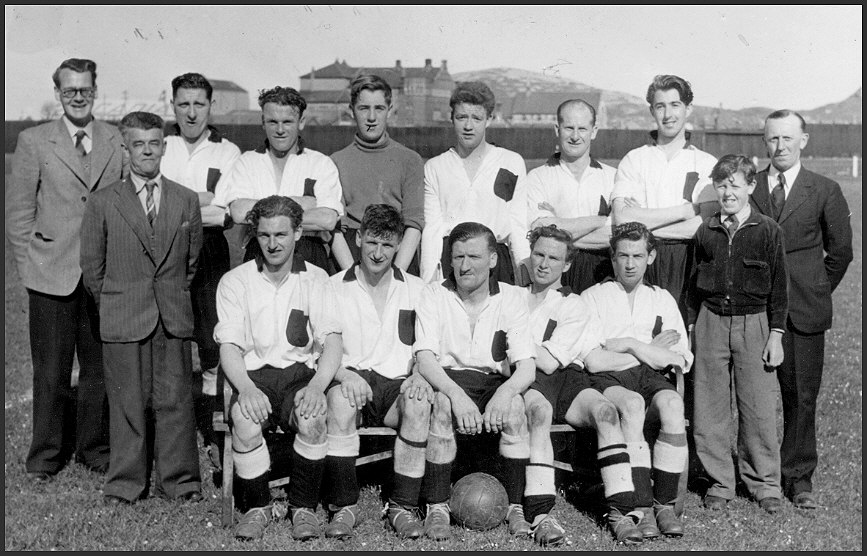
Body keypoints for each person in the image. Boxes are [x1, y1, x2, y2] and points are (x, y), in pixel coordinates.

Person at [6, 57, 124, 482]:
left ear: (96, 91)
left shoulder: (115, 139)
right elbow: (19, 214)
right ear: (57, 93)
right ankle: (45, 456)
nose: (78, 97)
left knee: (97, 371)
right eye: (70, 90)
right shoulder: (35, 140)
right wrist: (30, 269)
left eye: (86, 90)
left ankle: (95, 449)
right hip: (50, 277)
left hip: (102, 276)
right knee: (51, 372)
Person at [79, 111, 203, 504]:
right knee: (127, 403)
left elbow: (190, 264)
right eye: (138, 144)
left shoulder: (185, 199)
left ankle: (180, 482)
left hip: (171, 316)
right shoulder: (103, 202)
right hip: (122, 315)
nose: (147, 151)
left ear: (164, 147)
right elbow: (92, 269)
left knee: (176, 402)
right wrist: (116, 301)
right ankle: (125, 484)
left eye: (154, 144)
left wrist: (168, 295)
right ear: (125, 147)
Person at [213, 195, 343, 541]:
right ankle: (258, 506)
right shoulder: (235, 281)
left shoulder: (317, 279)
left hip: (300, 375)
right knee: (243, 418)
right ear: (256, 235)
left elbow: (331, 342)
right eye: (265, 235)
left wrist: (317, 386)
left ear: (298, 233)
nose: (273, 244)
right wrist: (246, 389)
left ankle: (303, 507)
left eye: (281, 235)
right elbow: (229, 347)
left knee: (314, 419)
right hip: (253, 375)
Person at [750, 110, 853, 509]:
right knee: (751, 397)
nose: (779, 147)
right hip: (754, 310)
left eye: (787, 139)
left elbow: (840, 252)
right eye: (772, 139)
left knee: (800, 397)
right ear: (765, 141)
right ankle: (755, 474)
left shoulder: (824, 189)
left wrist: (814, 289)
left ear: (804, 140)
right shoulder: (751, 186)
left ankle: (798, 479)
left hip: (803, 313)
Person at [521, 225, 648, 545]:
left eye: (553, 258)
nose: (543, 264)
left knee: (606, 412)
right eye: (538, 254)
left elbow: (551, 362)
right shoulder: (511, 297)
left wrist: (518, 340)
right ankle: (540, 513)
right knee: (538, 412)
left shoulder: (573, 303)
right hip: (529, 378)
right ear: (529, 256)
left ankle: (621, 510)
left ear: (566, 265)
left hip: (565, 376)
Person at [414, 222, 536, 541]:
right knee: (441, 405)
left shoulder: (511, 297)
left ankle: (515, 507)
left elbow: (526, 368)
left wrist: (506, 392)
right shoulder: (433, 294)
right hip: (450, 378)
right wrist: (455, 394)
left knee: (517, 408)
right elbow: (425, 358)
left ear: (493, 260)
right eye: (458, 257)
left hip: (494, 380)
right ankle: (437, 506)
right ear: (449, 260)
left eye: (474, 256)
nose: (465, 265)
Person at [325, 204, 432, 540]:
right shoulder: (333, 286)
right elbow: (321, 352)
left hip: (395, 383)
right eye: (371, 242)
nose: (378, 252)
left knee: (417, 404)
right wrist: (344, 376)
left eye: (387, 245)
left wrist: (418, 374)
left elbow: (426, 346)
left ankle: (402, 506)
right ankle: (344, 506)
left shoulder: (417, 288)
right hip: (351, 378)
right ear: (358, 238)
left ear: (399, 245)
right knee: (339, 405)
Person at [688, 155, 788, 514]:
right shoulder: (706, 231)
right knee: (709, 409)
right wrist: (691, 329)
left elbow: (779, 287)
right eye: (722, 184)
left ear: (751, 186)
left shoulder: (767, 230)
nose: (728, 192)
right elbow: (691, 287)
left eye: (735, 184)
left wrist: (775, 334)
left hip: (755, 324)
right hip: (711, 322)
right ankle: (720, 481)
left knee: (758, 408)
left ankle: (764, 484)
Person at [581, 222, 691, 539]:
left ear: (651, 257)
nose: (630, 264)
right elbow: (593, 359)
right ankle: (641, 508)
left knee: (672, 402)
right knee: (632, 403)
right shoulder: (593, 298)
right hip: (608, 379)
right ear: (612, 258)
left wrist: (630, 344)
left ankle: (664, 505)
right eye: (623, 256)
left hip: (651, 376)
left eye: (638, 256)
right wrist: (649, 350)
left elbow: (680, 357)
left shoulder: (662, 299)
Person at [160, 72, 241, 400]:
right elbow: (148, 206)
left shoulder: (228, 152)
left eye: (198, 104)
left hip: (209, 249)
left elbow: (224, 213)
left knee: (212, 337)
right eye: (183, 104)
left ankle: (212, 426)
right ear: (172, 106)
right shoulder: (161, 145)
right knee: (167, 336)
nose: (191, 113)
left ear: (211, 106)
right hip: (163, 248)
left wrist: (173, 201)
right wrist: (201, 199)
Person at [610, 75, 718, 310]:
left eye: (675, 105)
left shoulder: (706, 163)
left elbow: (705, 225)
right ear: (652, 110)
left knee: (684, 338)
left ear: (688, 108)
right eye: (660, 106)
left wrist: (643, 221)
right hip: (642, 259)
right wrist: (687, 210)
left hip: (689, 259)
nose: (668, 114)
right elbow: (622, 219)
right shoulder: (634, 160)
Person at [215, 86, 344, 272]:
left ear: (301, 122)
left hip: (308, 252)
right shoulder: (247, 162)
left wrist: (262, 213)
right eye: (273, 122)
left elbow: (327, 220)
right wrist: (301, 203)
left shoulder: (321, 163)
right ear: (262, 122)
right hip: (258, 251)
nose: (280, 130)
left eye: (288, 121)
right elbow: (239, 212)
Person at [420, 81, 529, 284]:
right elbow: (432, 231)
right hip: (453, 263)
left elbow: (517, 225)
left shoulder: (511, 162)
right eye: (462, 117)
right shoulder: (436, 167)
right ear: (451, 118)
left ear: (489, 119)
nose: (468, 126)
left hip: (497, 264)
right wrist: (427, 284)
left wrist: (526, 279)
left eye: (477, 118)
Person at [330, 74, 425, 275]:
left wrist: (396, 275)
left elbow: (414, 223)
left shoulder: (410, 160)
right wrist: (351, 276)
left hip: (398, 257)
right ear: (351, 111)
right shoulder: (335, 162)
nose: (371, 118)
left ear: (389, 110)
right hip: (351, 256)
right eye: (364, 108)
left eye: (379, 108)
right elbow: (335, 228)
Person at [523, 99, 617, 293]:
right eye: (569, 128)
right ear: (557, 129)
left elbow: (619, 233)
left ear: (594, 131)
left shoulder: (613, 177)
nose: (575, 136)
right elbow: (538, 230)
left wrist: (557, 227)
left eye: (582, 128)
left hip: (602, 272)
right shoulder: (537, 177)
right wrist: (602, 220)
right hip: (553, 272)